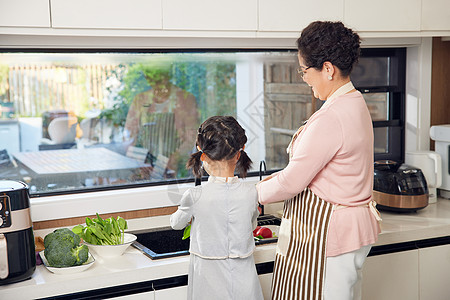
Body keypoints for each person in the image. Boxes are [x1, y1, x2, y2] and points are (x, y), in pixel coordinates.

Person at [256, 21, 382, 300]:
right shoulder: (354, 102)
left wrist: (252, 194)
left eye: (304, 71)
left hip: (330, 234)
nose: (304, 78)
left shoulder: (332, 116)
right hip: (348, 233)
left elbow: (292, 182)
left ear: (327, 69)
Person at [170, 116, 263, 300]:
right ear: (239, 154)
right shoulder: (251, 192)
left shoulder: (194, 196)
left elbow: (176, 224)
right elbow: (251, 226)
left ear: (202, 155)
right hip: (244, 279)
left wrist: (186, 214)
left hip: (208, 280)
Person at [124, 65, 199, 177]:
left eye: (159, 78)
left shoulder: (186, 99)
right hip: (145, 168)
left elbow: (193, 136)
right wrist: (140, 163)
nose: (155, 83)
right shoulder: (140, 100)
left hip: (177, 170)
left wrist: (174, 159)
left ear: (168, 76)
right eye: (150, 79)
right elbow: (129, 136)